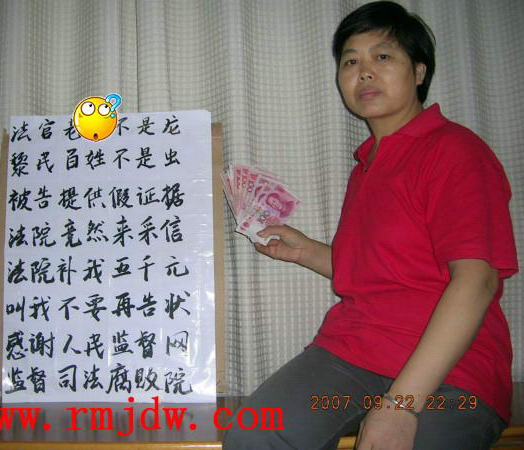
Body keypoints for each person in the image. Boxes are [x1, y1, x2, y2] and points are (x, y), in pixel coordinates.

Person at [222, 1, 519, 449]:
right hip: (354, 354)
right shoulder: (365, 167)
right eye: (351, 62)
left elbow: (477, 281)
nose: (364, 72)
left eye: (382, 57)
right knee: (256, 433)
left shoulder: (456, 151)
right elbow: (382, 273)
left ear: (419, 71)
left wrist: (400, 405)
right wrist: (304, 250)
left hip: (453, 372)